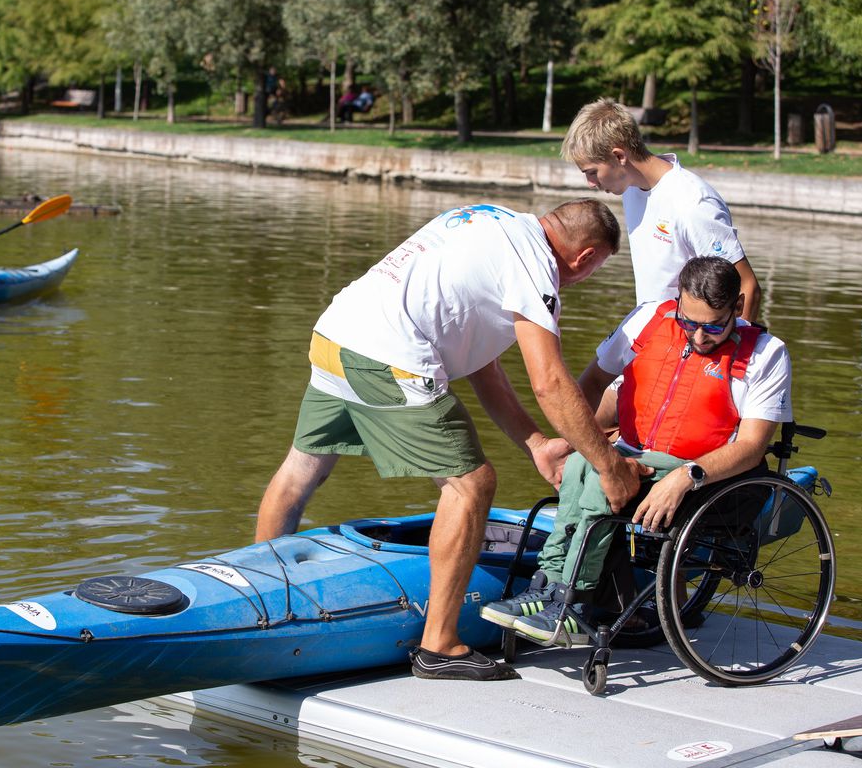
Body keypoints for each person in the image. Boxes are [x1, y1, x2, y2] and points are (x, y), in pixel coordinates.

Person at [255, 198, 651, 682]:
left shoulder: (490, 217)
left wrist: (536, 444)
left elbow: (481, 361)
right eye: (594, 270)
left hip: (337, 333)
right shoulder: (535, 268)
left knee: (302, 470)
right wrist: (609, 466)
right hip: (388, 355)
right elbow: (549, 382)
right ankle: (439, 645)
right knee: (473, 484)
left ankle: (261, 599)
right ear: (586, 257)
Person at [480, 257, 792, 646]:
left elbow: (750, 447)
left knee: (600, 475)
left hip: (704, 475)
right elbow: (593, 382)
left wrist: (685, 477)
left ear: (739, 306)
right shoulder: (647, 319)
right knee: (581, 463)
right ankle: (547, 585)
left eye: (713, 326)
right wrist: (580, 437)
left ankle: (575, 601)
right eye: (688, 323)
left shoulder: (767, 354)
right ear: (677, 300)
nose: (698, 338)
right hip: (635, 451)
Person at [561, 98, 761, 319]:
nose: (590, 183)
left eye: (591, 172)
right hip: (653, 333)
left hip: (694, 340)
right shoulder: (631, 189)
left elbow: (747, 287)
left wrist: (730, 352)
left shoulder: (693, 202)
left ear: (619, 156)